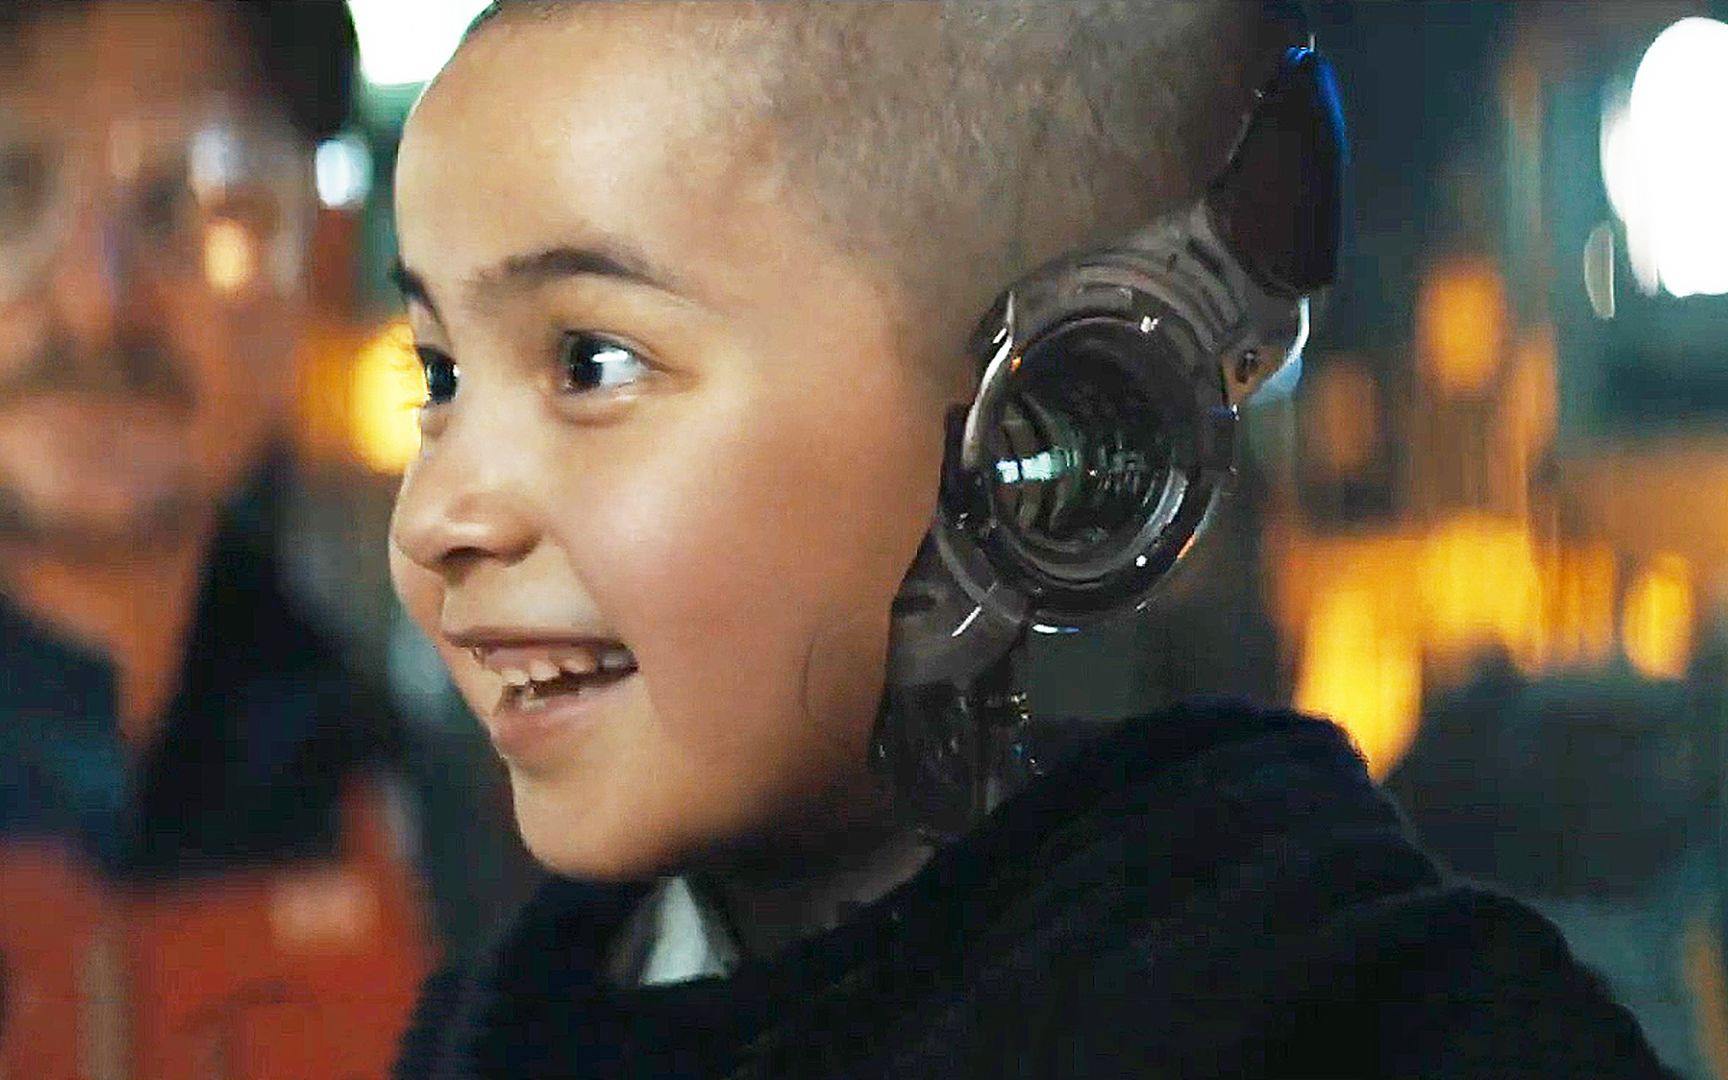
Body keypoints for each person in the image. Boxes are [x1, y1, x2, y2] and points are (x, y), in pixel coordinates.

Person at [387, 1, 1677, 1076]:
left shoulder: (1376, 1025)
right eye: (439, 375)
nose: (437, 517)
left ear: (1058, 416)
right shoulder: (501, 1025)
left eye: (593, 361)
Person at [0, 3, 437, 1076]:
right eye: (8, 193)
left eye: (191, 203)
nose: (98, 304)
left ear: (315, 260)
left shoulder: (424, 812)